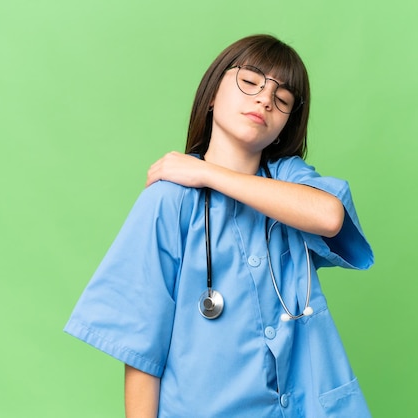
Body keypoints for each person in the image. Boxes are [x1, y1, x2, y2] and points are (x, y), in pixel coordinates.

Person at [64, 34, 374, 417]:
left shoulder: (289, 179)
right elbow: (141, 345)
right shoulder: (169, 200)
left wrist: (207, 172)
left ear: (286, 125)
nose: (264, 99)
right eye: (250, 81)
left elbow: (328, 217)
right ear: (212, 92)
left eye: (282, 99)